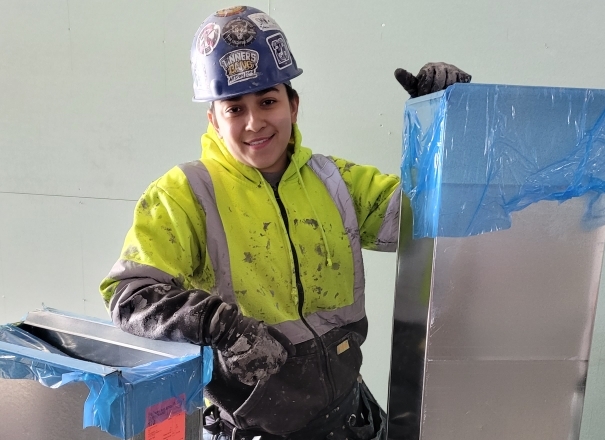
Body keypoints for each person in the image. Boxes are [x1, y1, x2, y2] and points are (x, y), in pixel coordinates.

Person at [99, 6, 471, 440]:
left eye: (268, 101)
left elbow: (438, 215)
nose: (254, 122)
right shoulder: (185, 195)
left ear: (293, 105)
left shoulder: (336, 182)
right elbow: (130, 297)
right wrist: (222, 326)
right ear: (214, 119)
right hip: (253, 429)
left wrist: (447, 121)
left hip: (349, 420)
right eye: (234, 108)